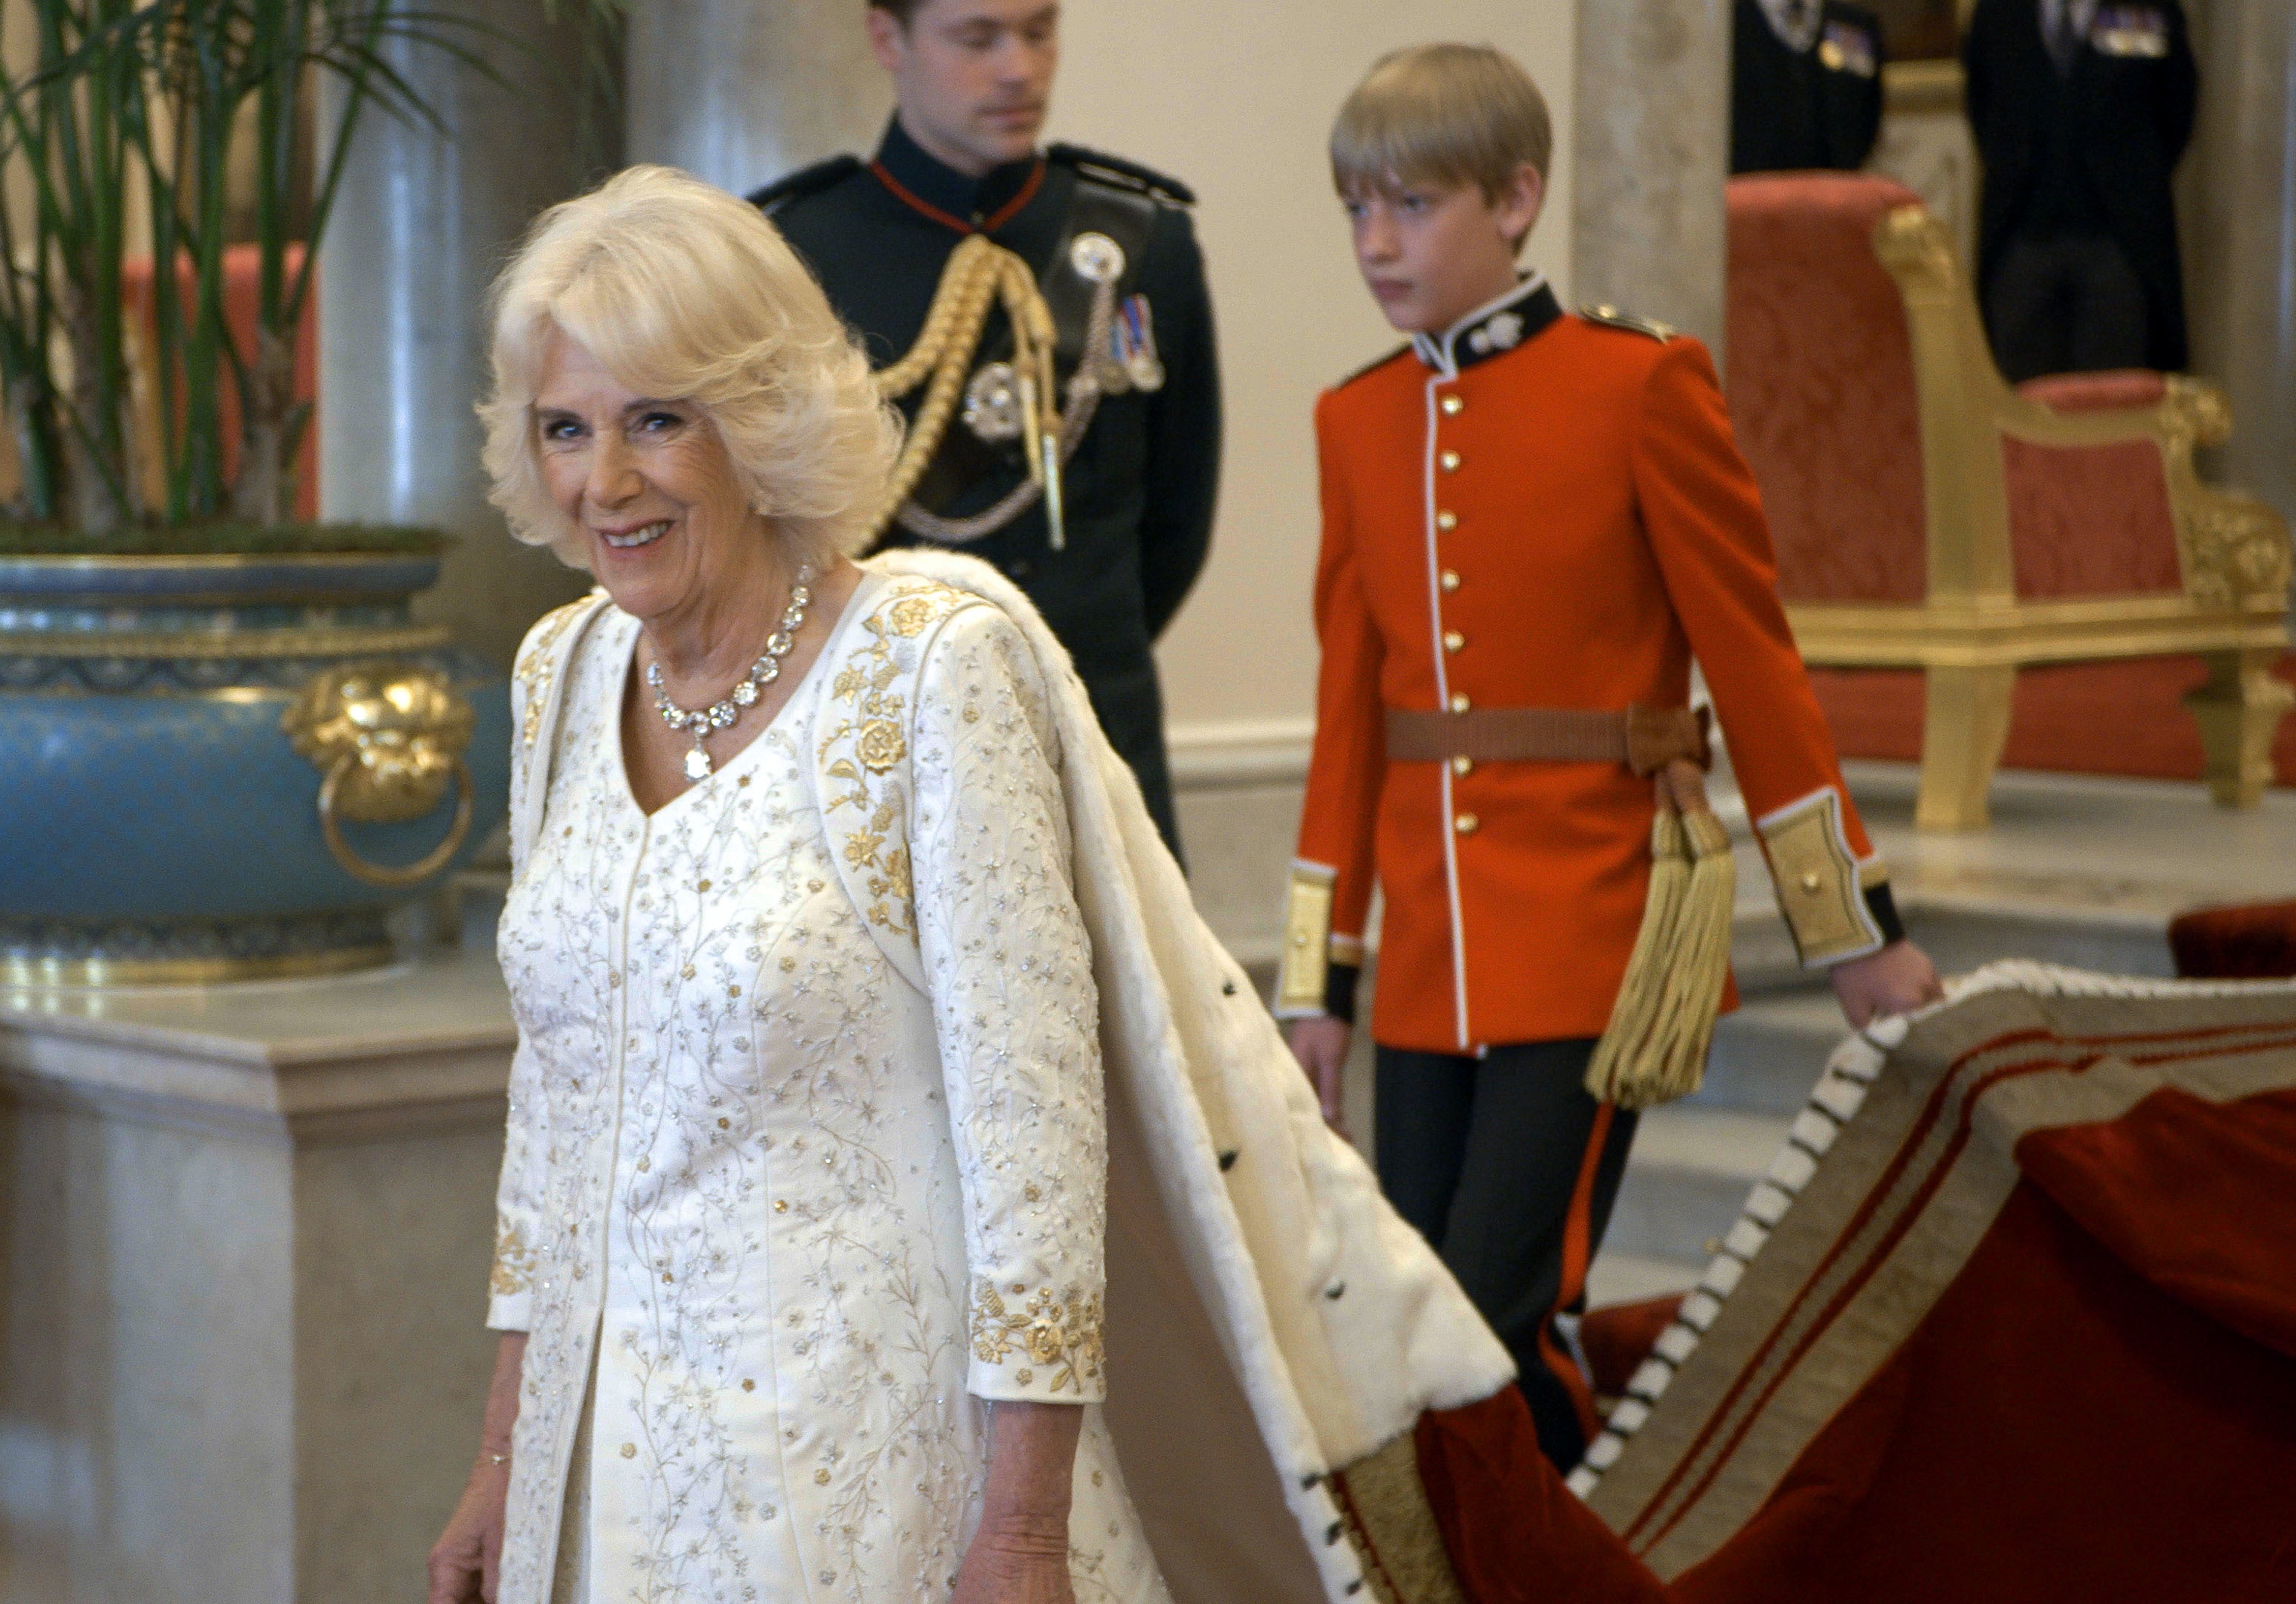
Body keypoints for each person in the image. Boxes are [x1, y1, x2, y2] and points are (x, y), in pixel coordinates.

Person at [426, 165, 1567, 1604]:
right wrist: (503, 1459)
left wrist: (1020, 1529)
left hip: (876, 1480)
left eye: (660, 420)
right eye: (567, 429)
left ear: (759, 418)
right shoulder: (563, 671)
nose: (608, 480)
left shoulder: (931, 660)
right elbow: (557, 1111)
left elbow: (1034, 1129)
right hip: (605, 1493)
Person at [1275, 44, 1945, 1474]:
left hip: (1594, 938)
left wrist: (1852, 932)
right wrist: (1312, 979)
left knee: (1492, 1319)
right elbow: (1350, 720)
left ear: (1517, 199)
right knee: (1417, 1314)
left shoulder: (1638, 386)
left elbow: (1757, 676)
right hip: (1425, 960)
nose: (1376, 244)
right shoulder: (1354, 419)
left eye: (1412, 205)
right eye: (1354, 209)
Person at [749, 0, 1221, 857]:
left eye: (1039, 32)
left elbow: (1176, 523)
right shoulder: (795, 253)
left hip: (1092, 738)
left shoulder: (1143, 244)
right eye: (978, 38)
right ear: (887, 38)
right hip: (874, 751)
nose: (1019, 68)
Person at [1965, 0, 2198, 381]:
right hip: (2022, 243)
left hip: (2119, 246)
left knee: (2111, 407)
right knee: (2023, 404)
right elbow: (1983, 105)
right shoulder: (1997, 10)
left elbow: (2176, 109)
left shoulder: (2152, 9)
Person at [1729, 0, 1886, 174]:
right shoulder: (1726, 24)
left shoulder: (1854, 24)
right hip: (1746, 188)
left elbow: (1869, 109)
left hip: (1834, 187)